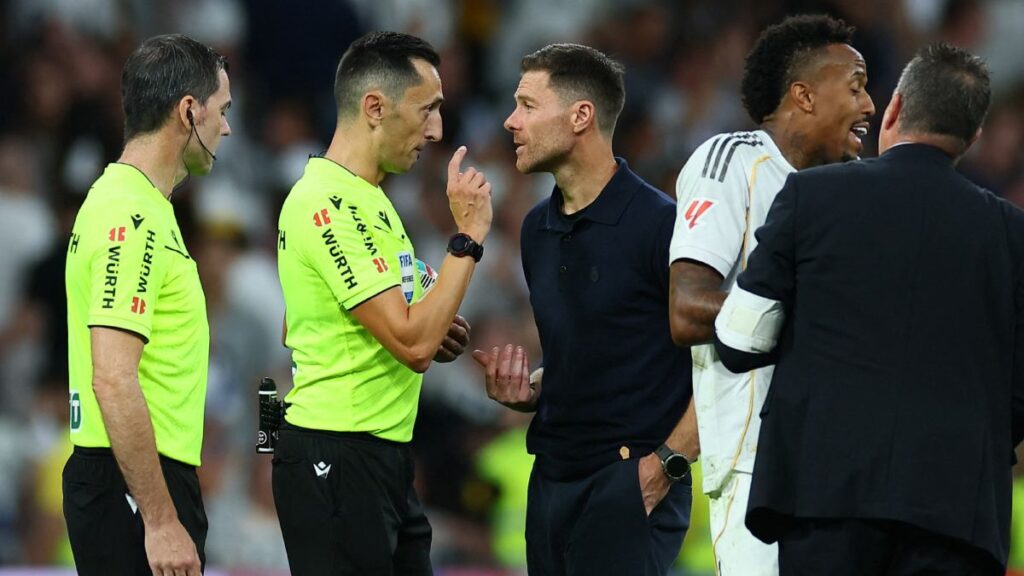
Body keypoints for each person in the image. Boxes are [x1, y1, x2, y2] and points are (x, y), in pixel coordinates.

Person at [714, 43, 1024, 575]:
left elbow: (740, 342)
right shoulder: (1013, 235)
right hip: (956, 514)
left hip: (824, 499)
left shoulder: (811, 195)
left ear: (895, 108)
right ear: (972, 138)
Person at [272, 31, 492, 575]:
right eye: (428, 110)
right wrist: (467, 239)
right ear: (375, 108)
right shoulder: (326, 202)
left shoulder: (369, 200)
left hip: (380, 456)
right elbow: (413, 345)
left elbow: (298, 324)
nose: (437, 130)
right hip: (336, 454)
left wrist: (428, 322)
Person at [472, 43, 696, 575]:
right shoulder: (535, 230)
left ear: (581, 116)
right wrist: (537, 389)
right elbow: (606, 353)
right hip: (550, 479)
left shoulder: (661, 226)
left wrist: (665, 465)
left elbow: (717, 364)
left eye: (527, 105)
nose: (510, 121)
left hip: (629, 479)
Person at [666, 15, 874, 575]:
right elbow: (688, 307)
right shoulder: (732, 161)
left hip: (843, 466)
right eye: (855, 86)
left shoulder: (851, 191)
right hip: (755, 468)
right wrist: (817, 321)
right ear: (803, 95)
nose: (870, 105)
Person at [63, 34, 232, 576]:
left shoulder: (138, 209)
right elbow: (112, 377)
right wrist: (160, 520)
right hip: (131, 487)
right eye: (222, 110)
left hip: (133, 480)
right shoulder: (130, 217)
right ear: (189, 110)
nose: (225, 128)